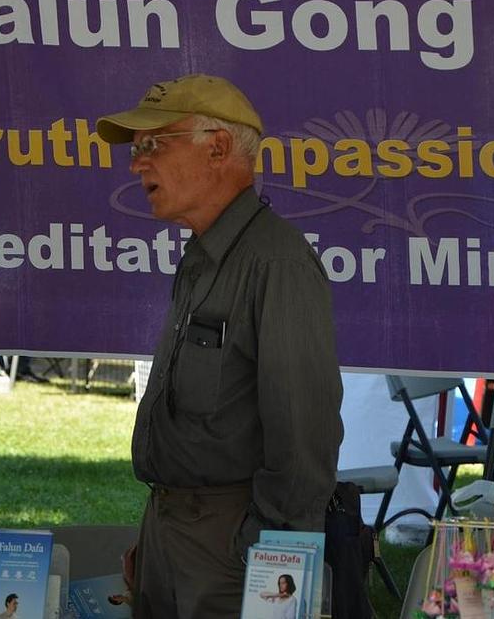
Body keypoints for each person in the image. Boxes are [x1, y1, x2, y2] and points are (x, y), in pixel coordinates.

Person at [96, 74, 343, 618]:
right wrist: (160, 533)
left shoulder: (275, 261)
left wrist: (269, 558)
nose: (138, 163)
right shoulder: (203, 255)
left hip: (235, 552)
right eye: (138, 149)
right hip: (176, 534)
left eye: (154, 145)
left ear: (220, 148)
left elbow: (305, 439)